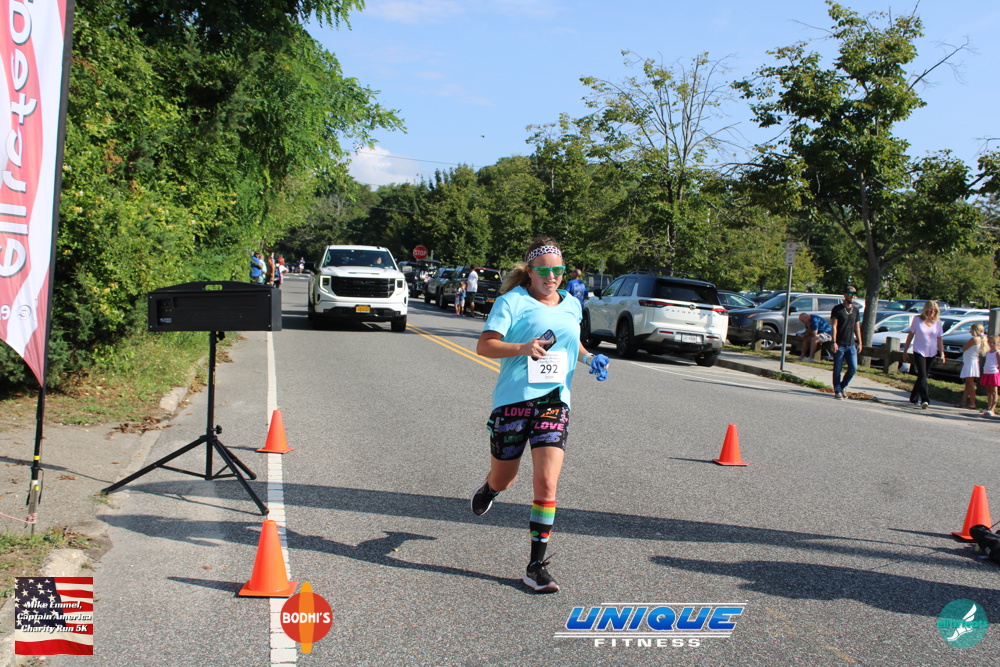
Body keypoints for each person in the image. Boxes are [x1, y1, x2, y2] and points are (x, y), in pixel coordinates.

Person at [472, 237, 609, 593]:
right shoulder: (511, 301)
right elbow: (484, 345)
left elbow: (572, 343)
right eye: (544, 271)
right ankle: (491, 488)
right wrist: (523, 347)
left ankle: (536, 566)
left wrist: (590, 358)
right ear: (530, 271)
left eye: (558, 270)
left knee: (547, 483)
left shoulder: (573, 304)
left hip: (554, 402)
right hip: (513, 401)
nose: (552, 277)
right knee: (505, 478)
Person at [902, 300, 945, 409]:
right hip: (919, 350)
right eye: (930, 309)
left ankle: (914, 397)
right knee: (922, 374)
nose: (932, 312)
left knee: (924, 375)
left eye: (934, 310)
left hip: (932, 351)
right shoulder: (917, 320)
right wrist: (905, 350)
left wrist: (942, 353)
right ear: (926, 309)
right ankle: (925, 399)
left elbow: (939, 339)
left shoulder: (938, 322)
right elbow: (911, 335)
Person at [830, 287, 863, 399]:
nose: (853, 296)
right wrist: (834, 341)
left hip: (851, 344)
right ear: (845, 295)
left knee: (853, 368)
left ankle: (843, 386)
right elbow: (834, 326)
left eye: (855, 294)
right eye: (850, 294)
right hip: (839, 344)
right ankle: (837, 390)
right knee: (837, 369)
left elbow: (857, 327)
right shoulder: (837, 309)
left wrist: (860, 342)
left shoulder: (855, 310)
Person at [958, 323, 987, 409]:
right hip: (971, 362)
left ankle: (972, 403)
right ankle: (963, 402)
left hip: (970, 363)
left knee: (970, 384)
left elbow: (964, 348)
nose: (970, 331)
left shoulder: (974, 339)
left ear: (974, 330)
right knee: (968, 384)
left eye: (971, 329)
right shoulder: (981, 339)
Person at [980, 336, 1000, 417]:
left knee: (994, 391)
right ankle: (988, 407)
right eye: (990, 342)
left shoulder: (997, 353)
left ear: (997, 344)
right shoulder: (988, 352)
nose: (991, 344)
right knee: (988, 391)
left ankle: (992, 409)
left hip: (994, 373)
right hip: (987, 372)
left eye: (993, 343)